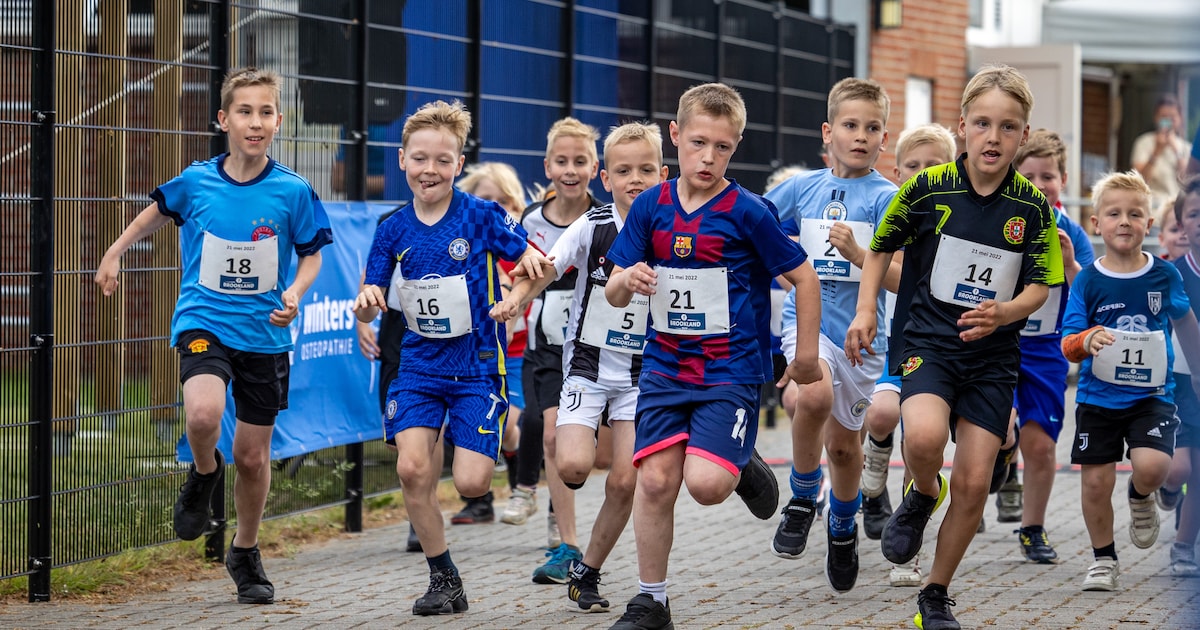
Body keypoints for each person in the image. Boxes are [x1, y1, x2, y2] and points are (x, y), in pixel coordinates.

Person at [94, 67, 332, 605]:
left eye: (265, 112)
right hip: (204, 321)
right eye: (244, 112)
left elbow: (312, 255)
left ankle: (244, 551)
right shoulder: (198, 180)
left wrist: (295, 291)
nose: (255, 122)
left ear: (278, 121)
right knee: (202, 415)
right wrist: (114, 253)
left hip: (264, 335)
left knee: (253, 457)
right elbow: (157, 212)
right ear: (223, 119)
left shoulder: (293, 190)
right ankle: (204, 473)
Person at [844, 64, 1064, 630]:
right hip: (927, 342)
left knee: (973, 480)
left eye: (1008, 127)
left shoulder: (1031, 208)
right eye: (984, 124)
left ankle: (935, 594)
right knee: (919, 435)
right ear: (963, 126)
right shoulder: (928, 187)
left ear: (1022, 133)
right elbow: (879, 249)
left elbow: (1042, 284)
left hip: (991, 357)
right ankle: (922, 491)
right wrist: (867, 309)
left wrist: (1006, 311)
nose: (994, 137)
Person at [603, 82, 823, 630]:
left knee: (705, 486)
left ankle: (736, 462)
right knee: (654, 481)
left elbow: (805, 279)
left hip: (729, 371)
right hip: (664, 366)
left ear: (736, 146)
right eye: (698, 143)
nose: (708, 157)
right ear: (675, 136)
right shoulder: (651, 206)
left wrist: (807, 358)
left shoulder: (748, 212)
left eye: (722, 147)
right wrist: (626, 278)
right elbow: (612, 288)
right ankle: (651, 600)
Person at [352, 99, 550, 616]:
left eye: (443, 160)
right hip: (417, 367)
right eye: (420, 159)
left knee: (471, 483)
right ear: (402, 161)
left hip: (477, 367)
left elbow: (539, 266)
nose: (430, 170)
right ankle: (444, 578)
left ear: (459, 164)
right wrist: (367, 301)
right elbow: (372, 285)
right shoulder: (392, 227)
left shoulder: (480, 216)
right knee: (413, 470)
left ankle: (504, 452)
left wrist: (517, 296)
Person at [493, 121, 668, 613]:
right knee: (573, 465)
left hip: (643, 375)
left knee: (625, 479)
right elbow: (547, 267)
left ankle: (586, 571)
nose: (636, 179)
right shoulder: (592, 225)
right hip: (588, 369)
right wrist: (514, 300)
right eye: (624, 170)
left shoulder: (675, 226)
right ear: (605, 177)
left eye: (647, 170)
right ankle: (563, 507)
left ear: (663, 173)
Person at [764, 77, 898, 593]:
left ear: (884, 138)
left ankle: (842, 528)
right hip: (808, 327)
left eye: (872, 128)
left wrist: (861, 256)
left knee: (845, 450)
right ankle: (801, 495)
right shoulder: (802, 188)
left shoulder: (890, 197)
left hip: (862, 342)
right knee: (811, 393)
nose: (860, 136)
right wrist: (784, 261)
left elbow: (902, 278)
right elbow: (754, 223)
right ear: (828, 132)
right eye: (850, 125)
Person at [1060, 170, 1200, 591]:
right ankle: (1103, 558)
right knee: (1096, 481)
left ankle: (1141, 496)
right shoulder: (1088, 280)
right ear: (1096, 224)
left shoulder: (1165, 276)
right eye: (1114, 213)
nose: (1124, 221)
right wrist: (1088, 338)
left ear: (1149, 225)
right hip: (1097, 398)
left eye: (1135, 214)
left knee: (1155, 467)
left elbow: (1187, 326)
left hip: (1152, 395)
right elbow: (1068, 343)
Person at [859, 122, 958, 588]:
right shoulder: (901, 215)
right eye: (912, 167)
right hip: (904, 343)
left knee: (922, 449)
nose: (922, 174)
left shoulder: (960, 217)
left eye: (933, 166)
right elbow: (890, 274)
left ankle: (906, 555)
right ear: (898, 174)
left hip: (955, 347)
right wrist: (863, 260)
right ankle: (875, 456)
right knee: (883, 417)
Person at [990, 129, 1095, 564]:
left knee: (1041, 445)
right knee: (1000, 426)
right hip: (999, 342)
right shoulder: (1001, 220)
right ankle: (1002, 461)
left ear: (1063, 180)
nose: (1038, 184)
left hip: (1046, 351)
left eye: (1047, 176)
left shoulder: (1071, 233)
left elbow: (1094, 296)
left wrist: (1070, 265)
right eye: (1028, 175)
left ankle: (1032, 527)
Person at [508, 117, 603, 584]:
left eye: (580, 161)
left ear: (595, 167)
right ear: (547, 167)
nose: (570, 170)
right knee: (548, 432)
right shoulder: (530, 219)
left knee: (584, 454)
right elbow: (522, 273)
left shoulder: (605, 218)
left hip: (593, 345)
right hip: (545, 344)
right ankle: (565, 539)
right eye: (561, 161)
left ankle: (556, 510)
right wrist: (512, 300)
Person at [447, 161, 529, 525]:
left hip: (515, 356)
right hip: (471, 356)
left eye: (504, 201)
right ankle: (480, 501)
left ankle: (518, 473)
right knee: (464, 425)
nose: (495, 208)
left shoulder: (520, 251)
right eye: (485, 200)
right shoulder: (461, 248)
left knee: (508, 426)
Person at [1158, 175, 1200, 577]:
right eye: (1194, 213)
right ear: (1182, 223)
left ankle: (1183, 547)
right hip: (1177, 385)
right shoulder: (1171, 274)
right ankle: (1167, 490)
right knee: (1181, 469)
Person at [1131, 94, 1192, 209]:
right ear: (1156, 118)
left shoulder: (1186, 148)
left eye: (1172, 117)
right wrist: (1156, 151)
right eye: (1164, 117)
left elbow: (1189, 181)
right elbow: (1138, 181)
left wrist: (1176, 151)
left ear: (1180, 119)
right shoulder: (1143, 143)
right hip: (1151, 210)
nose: (1168, 121)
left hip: (1178, 210)